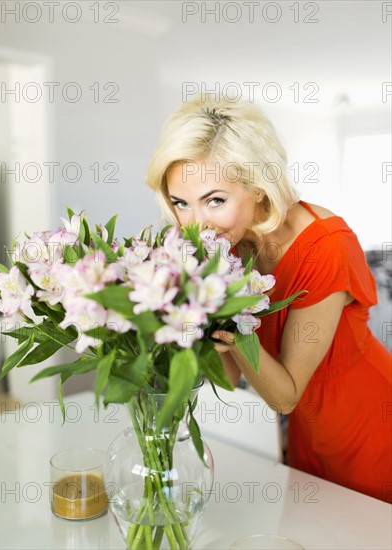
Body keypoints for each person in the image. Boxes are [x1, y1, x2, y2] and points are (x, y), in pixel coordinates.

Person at [146, 95, 392, 504]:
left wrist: (230, 318)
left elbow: (285, 394)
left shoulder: (324, 246)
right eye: (181, 203)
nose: (195, 225)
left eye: (215, 199)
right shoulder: (230, 245)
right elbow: (226, 376)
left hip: (368, 421)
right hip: (305, 430)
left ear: (259, 186)